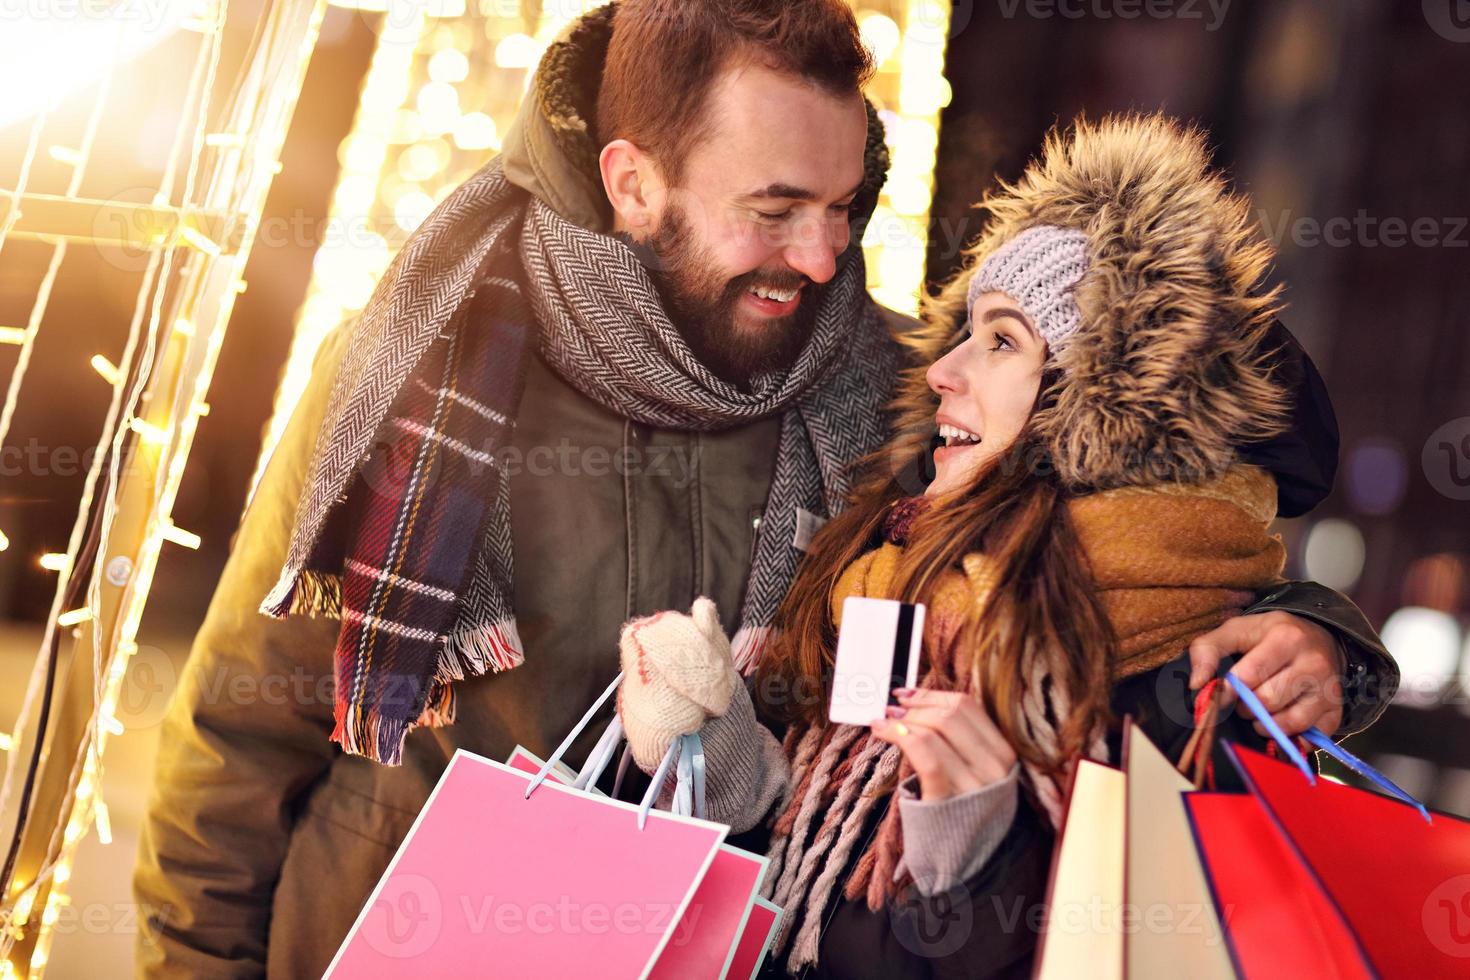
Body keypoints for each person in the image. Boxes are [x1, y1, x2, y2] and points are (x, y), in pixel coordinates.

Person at [132, 3, 1392, 977]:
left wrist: (1316, 637)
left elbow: (1146, 512)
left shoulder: (902, 394)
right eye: (777, 208)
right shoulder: (422, 371)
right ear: (635, 183)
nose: (824, 252)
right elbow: (239, 746)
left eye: (844, 203)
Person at [614, 113, 1399, 979]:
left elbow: (1145, 952)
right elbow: (795, 881)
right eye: (967, 332)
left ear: (1095, 407)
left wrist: (972, 857)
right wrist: (722, 764)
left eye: (1001, 341)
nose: (943, 369)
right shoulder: (884, 568)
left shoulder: (1205, 671)